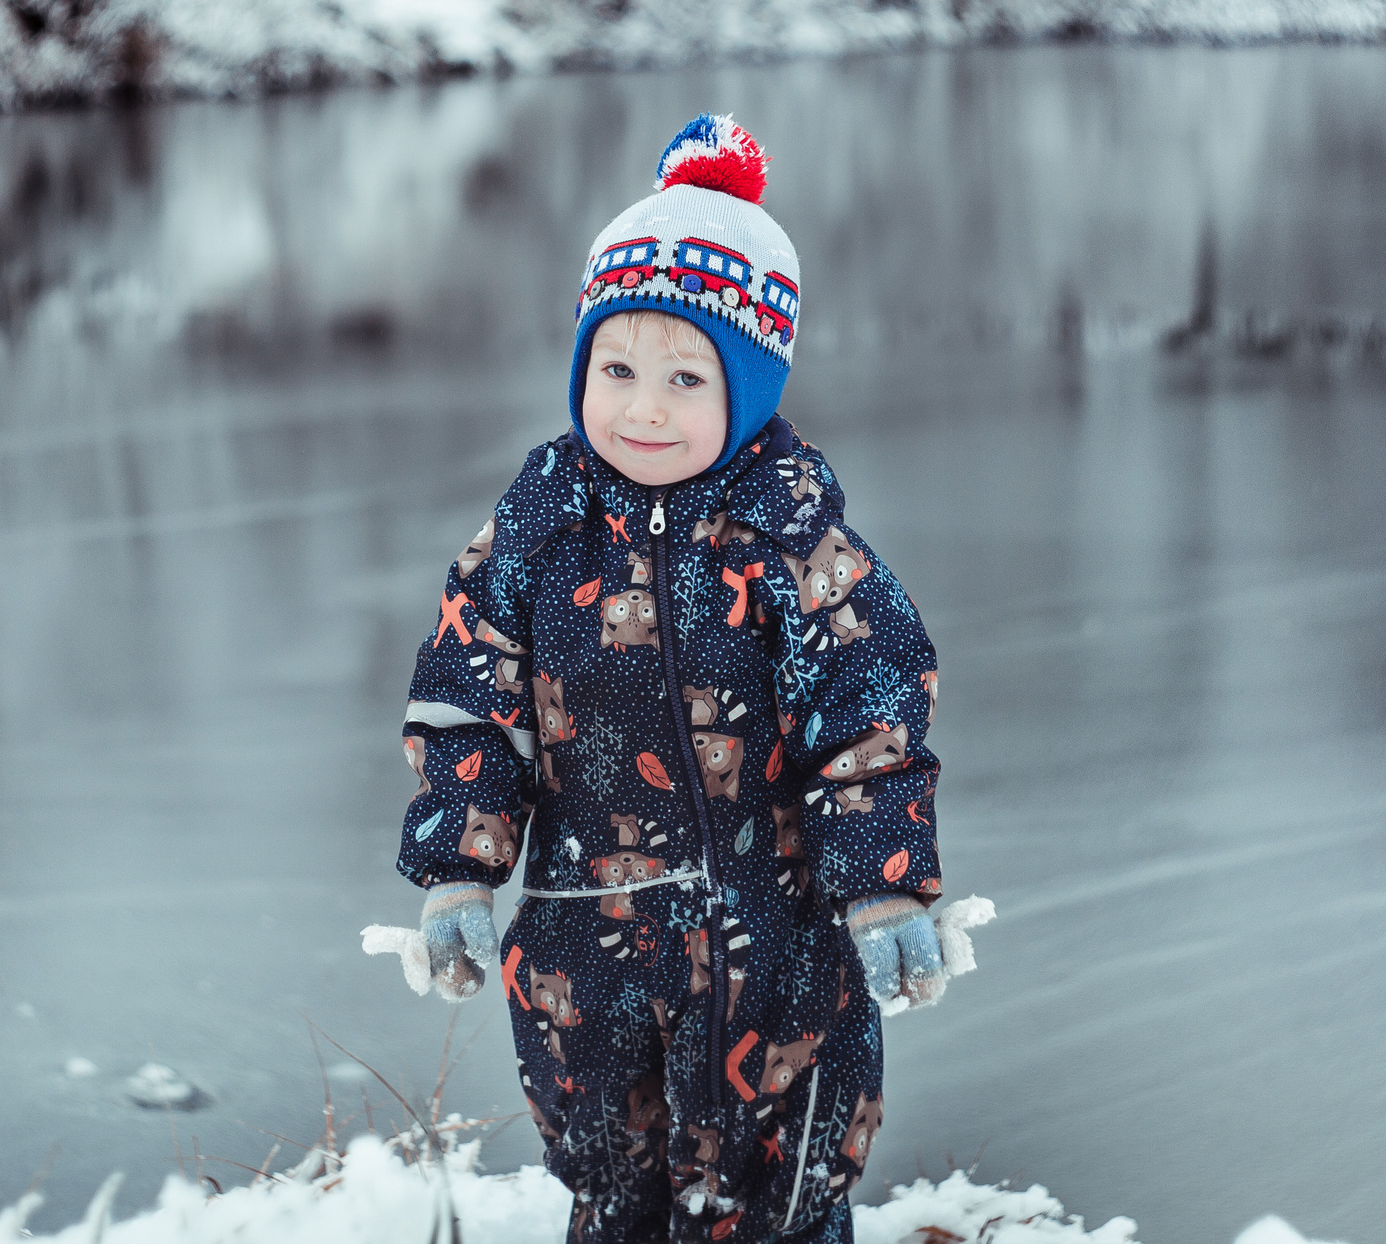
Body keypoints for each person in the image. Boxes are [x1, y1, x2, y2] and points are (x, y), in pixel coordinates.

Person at [379, 115, 955, 1244]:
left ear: (745, 390)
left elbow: (873, 714)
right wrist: (456, 869)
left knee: (781, 1193)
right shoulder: (536, 532)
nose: (643, 406)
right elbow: (468, 700)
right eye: (617, 367)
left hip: (777, 938)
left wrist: (883, 884)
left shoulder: (796, 545)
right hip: (581, 947)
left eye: (686, 377)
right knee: (611, 1186)